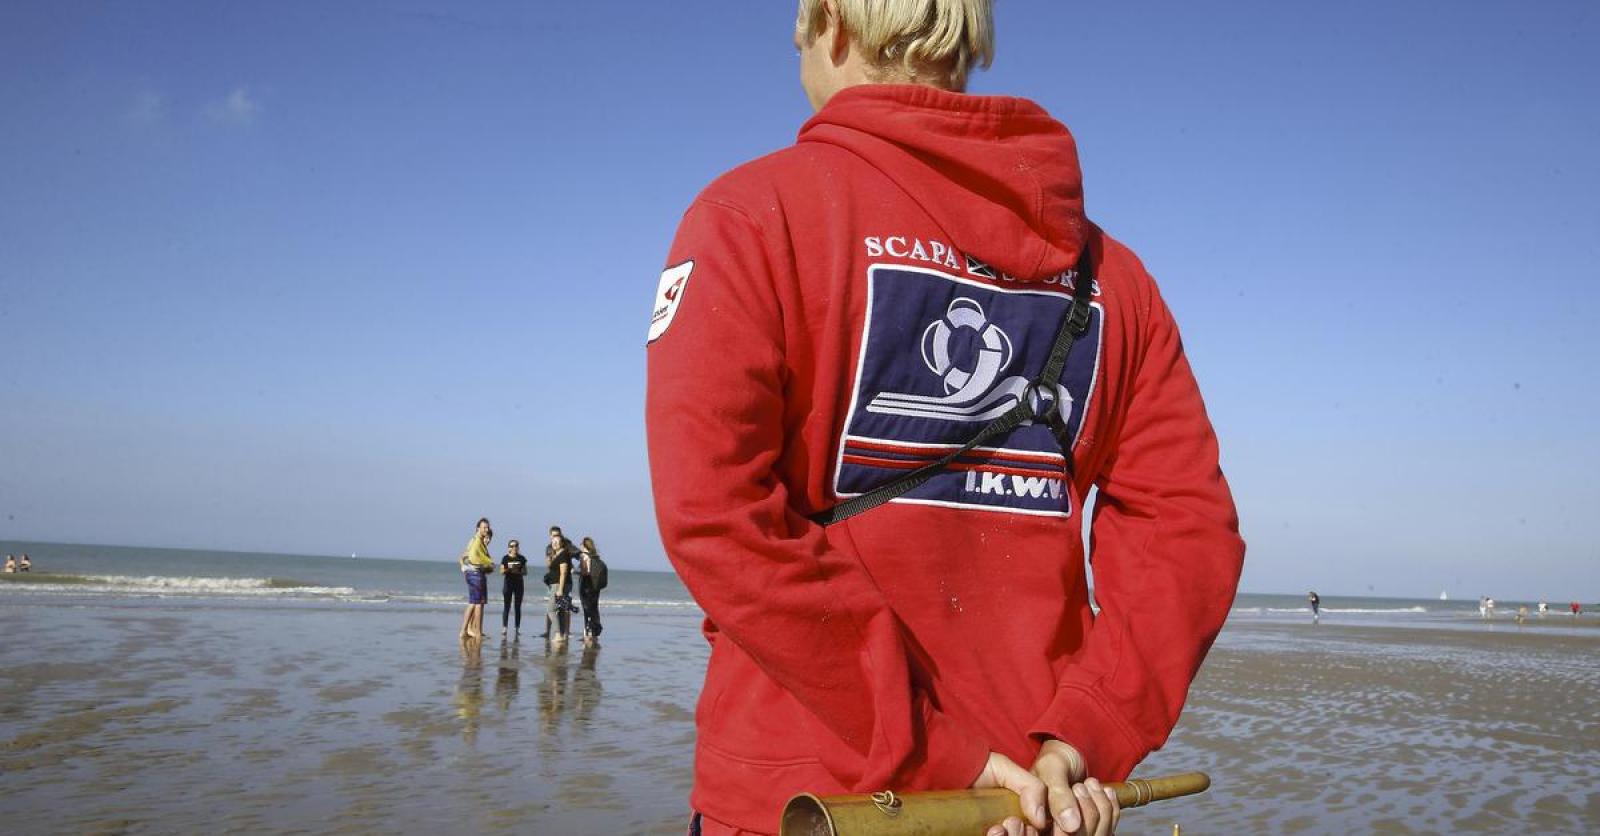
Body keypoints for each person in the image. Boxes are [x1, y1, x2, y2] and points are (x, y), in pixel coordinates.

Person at [645, 3, 1245, 834]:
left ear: (834, 26)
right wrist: (1084, 735)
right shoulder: (1119, 279)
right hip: (1037, 796)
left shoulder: (753, 214)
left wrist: (940, 746)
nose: (800, 66)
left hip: (816, 797)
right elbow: (1188, 528)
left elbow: (712, 514)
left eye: (799, 41)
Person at [459, 518, 495, 639]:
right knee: (478, 604)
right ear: (478, 528)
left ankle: (465, 630)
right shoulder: (476, 541)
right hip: (475, 574)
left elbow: (466, 557)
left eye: (487, 527)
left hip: (474, 573)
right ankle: (476, 632)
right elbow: (473, 557)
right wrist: (489, 562)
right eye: (484, 527)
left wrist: (465, 568)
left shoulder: (477, 541)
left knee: (474, 603)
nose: (486, 529)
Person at [543, 526, 578, 641]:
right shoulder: (556, 553)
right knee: (561, 610)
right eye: (553, 541)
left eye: (557, 541)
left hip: (558, 585)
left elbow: (563, 573)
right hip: (557, 584)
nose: (555, 543)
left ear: (562, 542)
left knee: (551, 609)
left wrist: (560, 590)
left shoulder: (563, 554)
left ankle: (558, 633)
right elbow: (551, 566)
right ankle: (561, 634)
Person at [577, 536, 609, 641]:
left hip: (586, 585)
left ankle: (588, 632)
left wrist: (574, 571)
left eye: (581, 544)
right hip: (595, 586)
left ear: (584, 546)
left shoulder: (583, 556)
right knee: (594, 608)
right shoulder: (595, 557)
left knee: (587, 610)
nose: (580, 546)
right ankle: (595, 629)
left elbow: (584, 572)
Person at [500, 538, 529, 636]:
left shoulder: (521, 558)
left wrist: (519, 571)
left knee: (517, 607)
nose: (514, 548)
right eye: (512, 546)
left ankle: (517, 628)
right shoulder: (505, 558)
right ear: (509, 548)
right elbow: (501, 571)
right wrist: (509, 569)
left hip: (518, 583)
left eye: (516, 545)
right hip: (508, 583)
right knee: (506, 606)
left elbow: (525, 572)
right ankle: (504, 628)